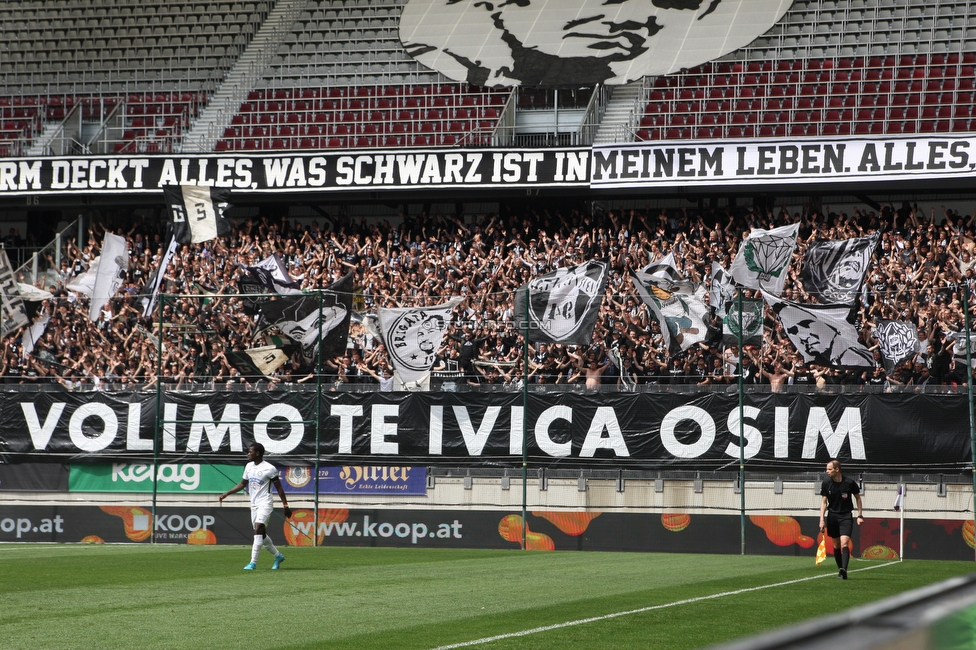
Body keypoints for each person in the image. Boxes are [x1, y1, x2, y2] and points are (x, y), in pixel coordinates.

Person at [219, 442, 293, 571]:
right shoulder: (248, 466)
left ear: (257, 453)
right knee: (261, 535)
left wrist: (286, 505)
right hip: (254, 505)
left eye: (250, 452)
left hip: (265, 503)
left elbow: (279, 488)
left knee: (258, 528)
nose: (248, 454)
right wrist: (227, 493)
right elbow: (242, 484)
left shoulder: (269, 468)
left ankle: (253, 562)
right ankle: (278, 556)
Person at [818, 459, 864, 580]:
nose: (827, 471)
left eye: (829, 469)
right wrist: (821, 519)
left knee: (844, 542)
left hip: (846, 516)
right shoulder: (826, 483)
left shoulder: (849, 483)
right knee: (836, 544)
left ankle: (844, 569)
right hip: (832, 516)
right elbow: (824, 502)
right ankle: (840, 570)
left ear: (837, 469)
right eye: (826, 469)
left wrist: (859, 515)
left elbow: (858, 498)